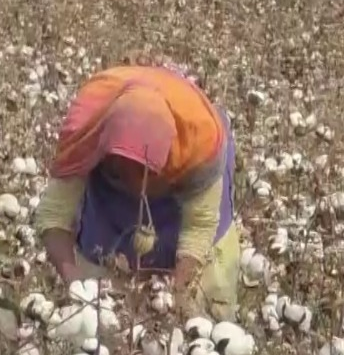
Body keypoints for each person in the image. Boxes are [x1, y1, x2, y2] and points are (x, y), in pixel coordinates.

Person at [34, 60, 241, 320]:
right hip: (109, 211)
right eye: (122, 169)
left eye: (146, 174)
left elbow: (199, 228)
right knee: (101, 316)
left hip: (186, 197)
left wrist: (173, 298)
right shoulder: (86, 132)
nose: (136, 183)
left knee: (203, 307)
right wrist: (76, 287)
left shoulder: (200, 144)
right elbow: (53, 215)